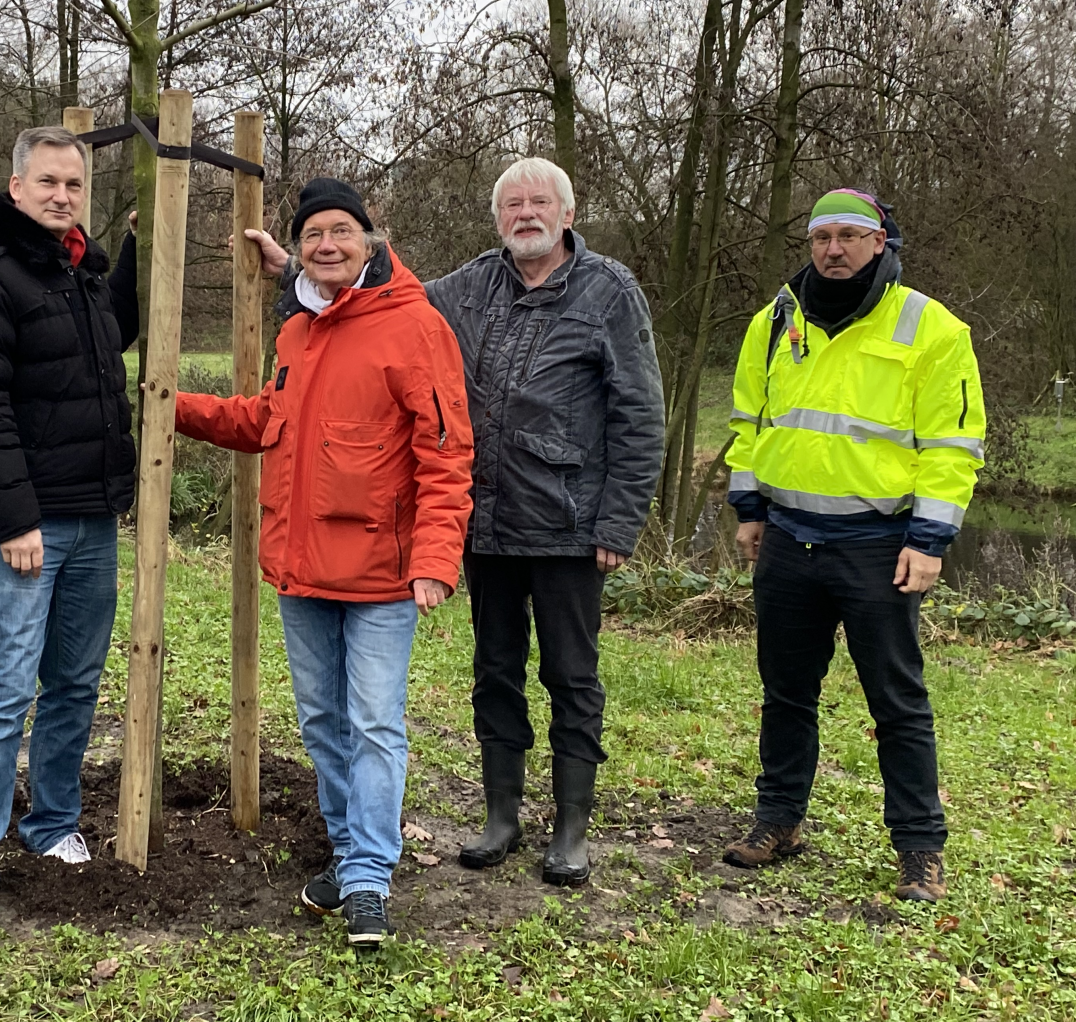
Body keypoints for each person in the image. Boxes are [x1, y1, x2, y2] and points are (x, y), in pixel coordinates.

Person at [245, 160, 663, 885]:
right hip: (488, 522)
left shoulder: (609, 292)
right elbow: (370, 304)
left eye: (540, 202)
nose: (525, 214)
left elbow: (639, 412)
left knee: (571, 673)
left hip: (568, 523)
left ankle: (570, 825)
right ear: (498, 218)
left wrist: (618, 521)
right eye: (512, 204)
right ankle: (502, 815)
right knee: (495, 671)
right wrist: (295, 269)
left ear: (567, 213)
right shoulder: (470, 285)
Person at [179, 177, 474, 949]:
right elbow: (267, 421)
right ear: (300, 250)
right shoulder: (298, 333)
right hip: (302, 568)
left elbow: (445, 452)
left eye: (342, 231)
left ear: (371, 241)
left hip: (382, 572)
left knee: (374, 723)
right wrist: (172, 405)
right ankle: (349, 857)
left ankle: (370, 878)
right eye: (314, 235)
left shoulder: (415, 326)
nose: (328, 245)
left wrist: (438, 557)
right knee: (323, 723)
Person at [723, 189, 984, 902]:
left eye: (848, 236)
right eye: (820, 237)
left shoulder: (930, 327)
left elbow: (954, 446)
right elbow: (751, 419)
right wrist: (749, 507)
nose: (832, 250)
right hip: (787, 538)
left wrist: (930, 539)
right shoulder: (776, 320)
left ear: (879, 242)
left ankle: (919, 849)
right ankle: (778, 819)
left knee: (897, 702)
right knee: (785, 693)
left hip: (879, 545)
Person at [0, 126, 138, 947]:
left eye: (74, 184)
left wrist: (134, 256)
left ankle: (50, 823)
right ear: (16, 187)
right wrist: (13, 517)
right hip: (29, 525)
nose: (62, 194)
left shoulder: (79, 272)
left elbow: (99, 356)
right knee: (5, 690)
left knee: (76, 684)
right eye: (48, 182)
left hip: (92, 517)